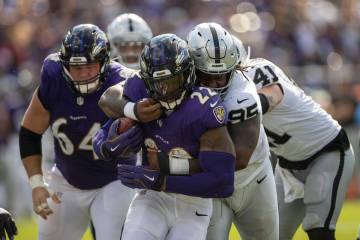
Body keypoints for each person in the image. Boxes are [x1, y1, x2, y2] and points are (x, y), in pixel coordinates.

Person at [94, 33, 236, 240]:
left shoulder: (204, 106)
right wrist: (108, 147)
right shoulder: (139, 89)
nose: (165, 90)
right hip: (152, 198)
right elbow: (103, 130)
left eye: (172, 81)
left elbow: (223, 182)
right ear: (147, 79)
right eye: (158, 82)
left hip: (194, 201)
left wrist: (161, 180)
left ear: (188, 75)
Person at [19, 24, 139, 240]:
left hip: (113, 179)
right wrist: (37, 183)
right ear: (65, 65)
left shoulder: (124, 82)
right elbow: (30, 131)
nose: (83, 74)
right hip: (67, 177)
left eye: (90, 66)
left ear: (104, 63)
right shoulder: (54, 77)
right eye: (76, 67)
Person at [236, 36, 355, 239]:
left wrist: (245, 109)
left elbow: (273, 94)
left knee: (318, 227)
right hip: (289, 165)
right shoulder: (220, 92)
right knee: (271, 234)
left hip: (327, 150)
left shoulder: (256, 69)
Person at [187, 22, 278, 240]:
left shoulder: (243, 94)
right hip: (212, 186)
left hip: (253, 179)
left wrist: (173, 166)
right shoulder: (179, 87)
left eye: (221, 76)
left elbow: (238, 158)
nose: (215, 84)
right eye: (206, 76)